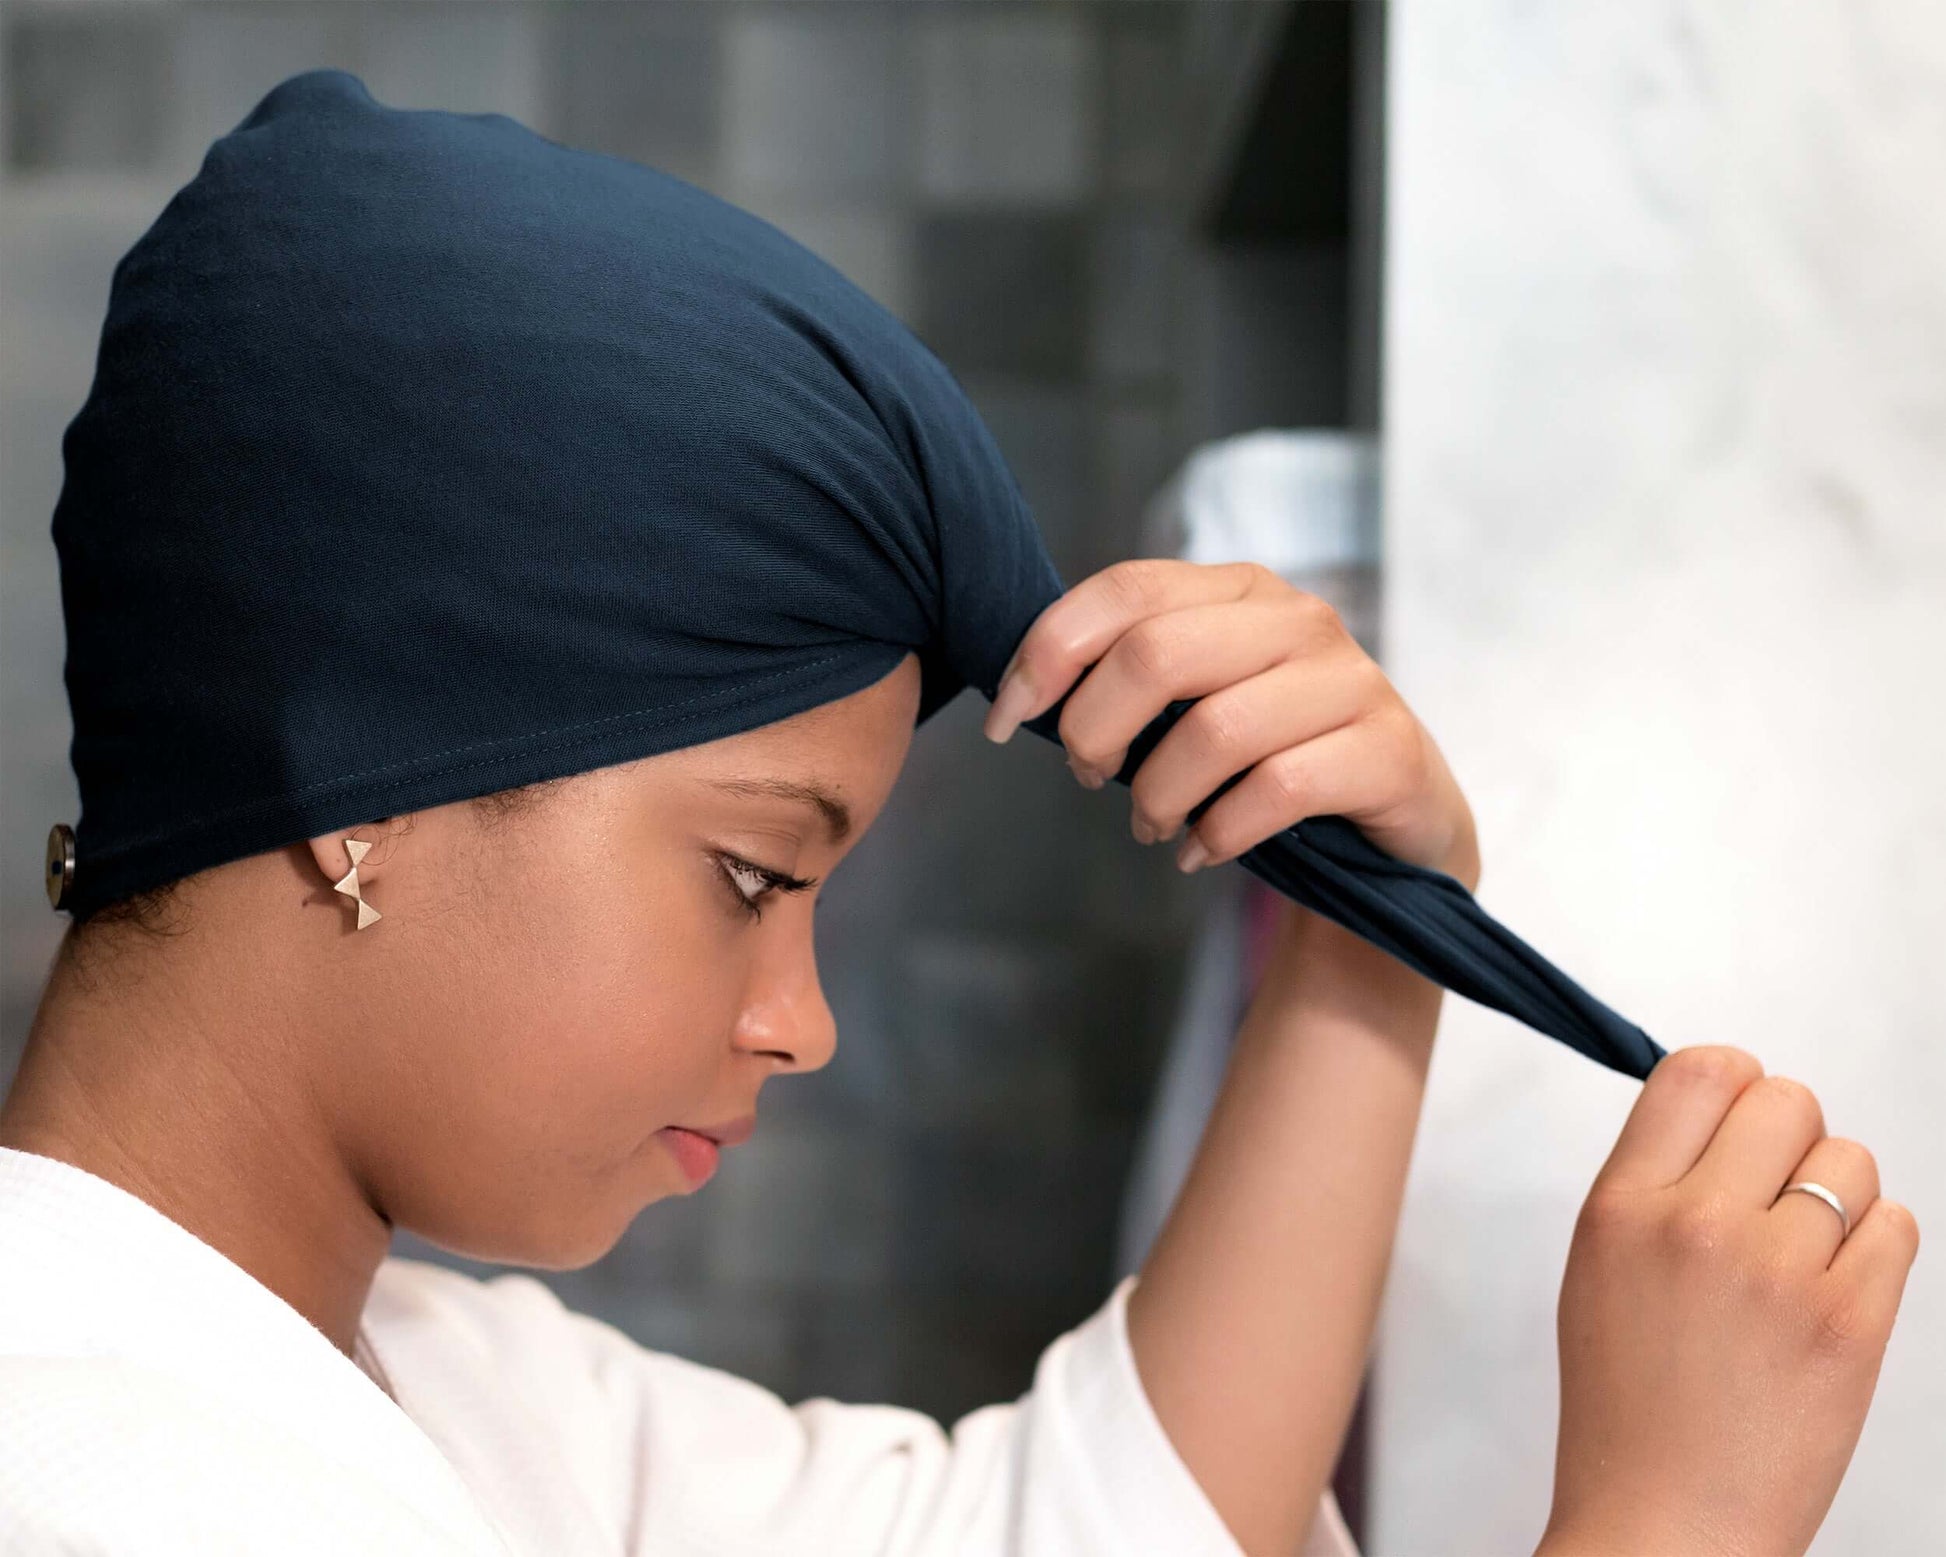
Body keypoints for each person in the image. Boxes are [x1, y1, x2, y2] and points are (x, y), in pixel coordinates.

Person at [0, 69, 1917, 1557]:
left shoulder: (428, 1382)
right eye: (752, 869)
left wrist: (1369, 923)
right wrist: (1669, 1523)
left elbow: (1098, 1532)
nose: (801, 1016)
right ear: (367, 777)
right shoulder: (97, 1481)